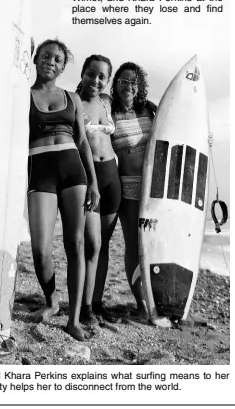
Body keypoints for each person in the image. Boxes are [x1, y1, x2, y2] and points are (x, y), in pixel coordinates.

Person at [0, 39, 99, 341]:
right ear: (34, 60)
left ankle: (73, 319)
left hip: (73, 171)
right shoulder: (21, 96)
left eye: (58, 59)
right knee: (39, 248)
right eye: (46, 56)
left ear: (63, 67)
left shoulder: (72, 97)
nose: (51, 61)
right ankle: (51, 301)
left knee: (75, 244)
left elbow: (83, 142)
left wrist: (94, 184)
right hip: (40, 172)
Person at [75, 55, 121, 325]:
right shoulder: (72, 101)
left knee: (103, 248)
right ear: (83, 73)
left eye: (102, 76)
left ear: (107, 80)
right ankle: (84, 306)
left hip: (111, 177)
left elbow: (143, 110)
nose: (96, 80)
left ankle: (97, 302)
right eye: (91, 74)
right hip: (88, 178)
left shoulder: (107, 102)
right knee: (91, 246)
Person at [109, 61, 157, 321]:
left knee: (154, 245)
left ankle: (157, 299)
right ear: (116, 83)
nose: (129, 86)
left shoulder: (150, 110)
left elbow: (176, 131)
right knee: (133, 247)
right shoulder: (110, 112)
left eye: (134, 82)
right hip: (127, 186)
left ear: (140, 87)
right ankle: (140, 303)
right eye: (124, 81)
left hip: (154, 188)